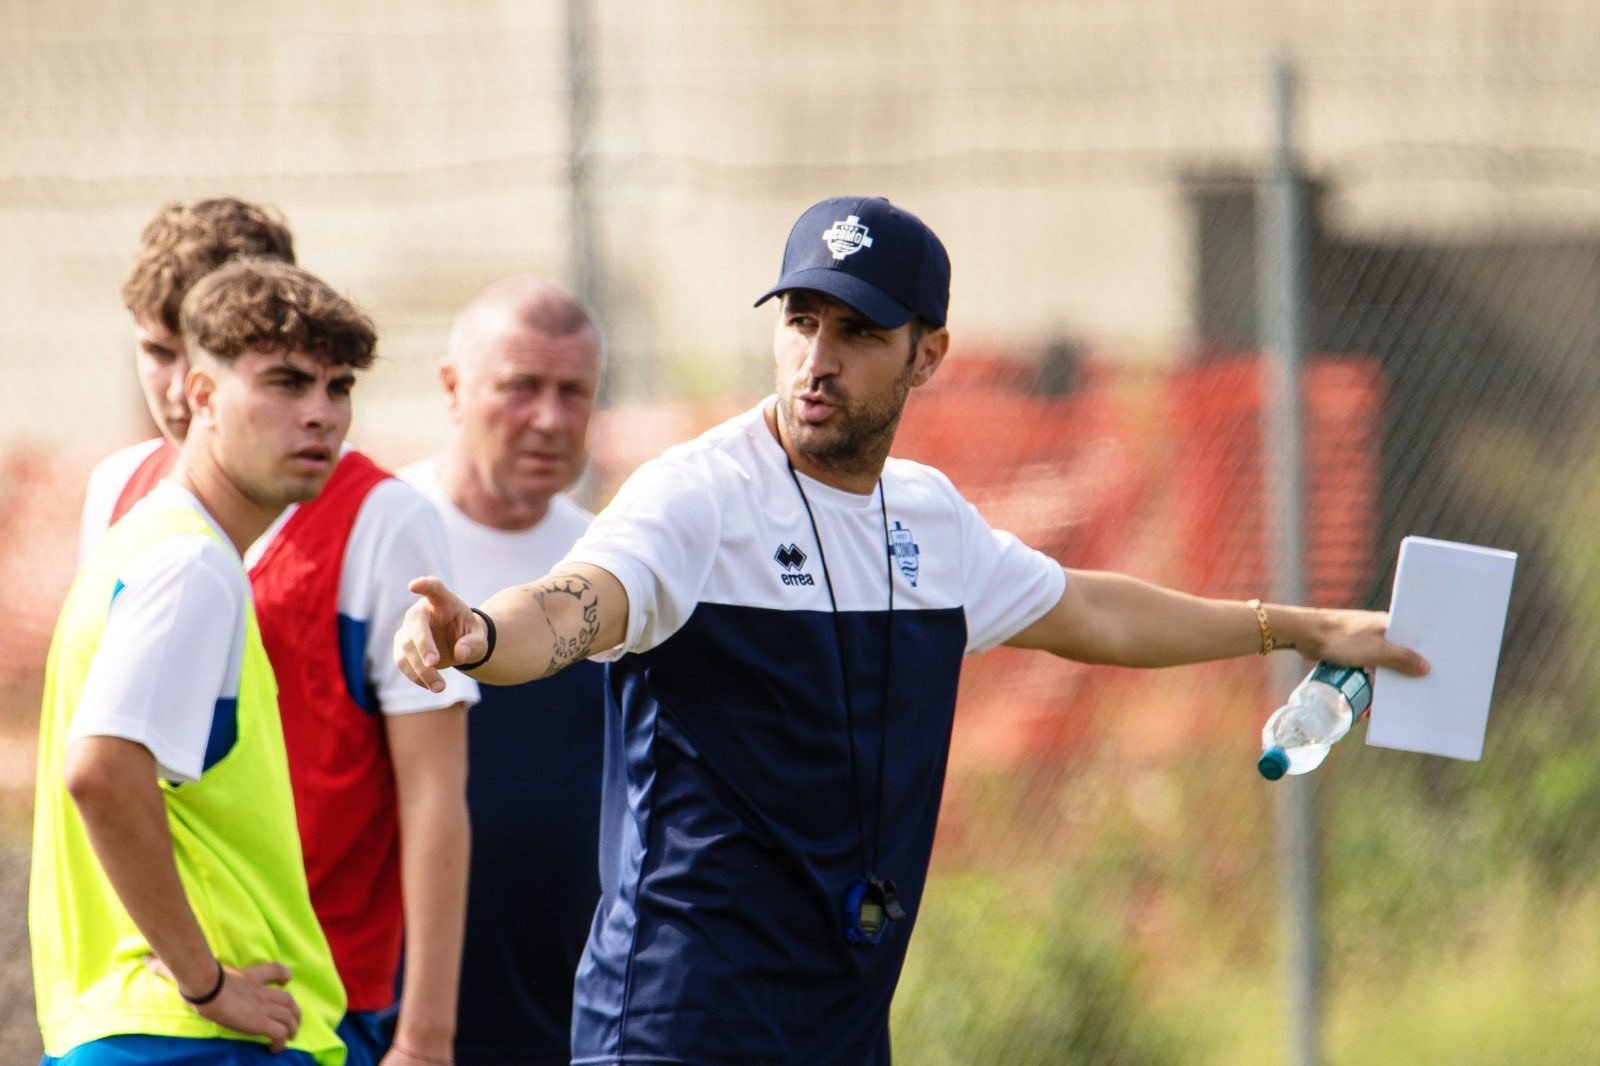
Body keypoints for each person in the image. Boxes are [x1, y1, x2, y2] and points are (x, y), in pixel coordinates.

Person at [394, 196, 1431, 1065]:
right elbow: (574, 604)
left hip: (842, 1020)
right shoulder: (694, 497)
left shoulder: (931, 520)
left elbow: (1092, 610)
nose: (817, 358)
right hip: (678, 1022)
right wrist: (476, 633)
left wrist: (1303, 627)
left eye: (857, 331)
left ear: (926, 354)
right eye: (801, 320)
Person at [79, 197, 477, 1066]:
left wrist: (426, 1035)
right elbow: (103, 767)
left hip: (318, 994)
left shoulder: (380, 517)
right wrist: (187, 965)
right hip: (157, 999)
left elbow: (434, 792)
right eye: (157, 352)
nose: (175, 384)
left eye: (203, 349)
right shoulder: (123, 495)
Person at [32, 258, 375, 1064]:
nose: (321, 414)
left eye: (339, 387)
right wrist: (207, 983)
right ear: (203, 395)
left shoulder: (154, 544)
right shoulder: (190, 564)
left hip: (144, 1027)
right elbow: (102, 771)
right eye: (286, 383)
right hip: (194, 1037)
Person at [397, 275, 606, 1065]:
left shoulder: (611, 567)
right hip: (387, 1014)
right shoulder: (376, 534)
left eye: (573, 392)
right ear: (452, 387)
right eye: (521, 387)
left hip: (568, 1016)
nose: (549, 419)